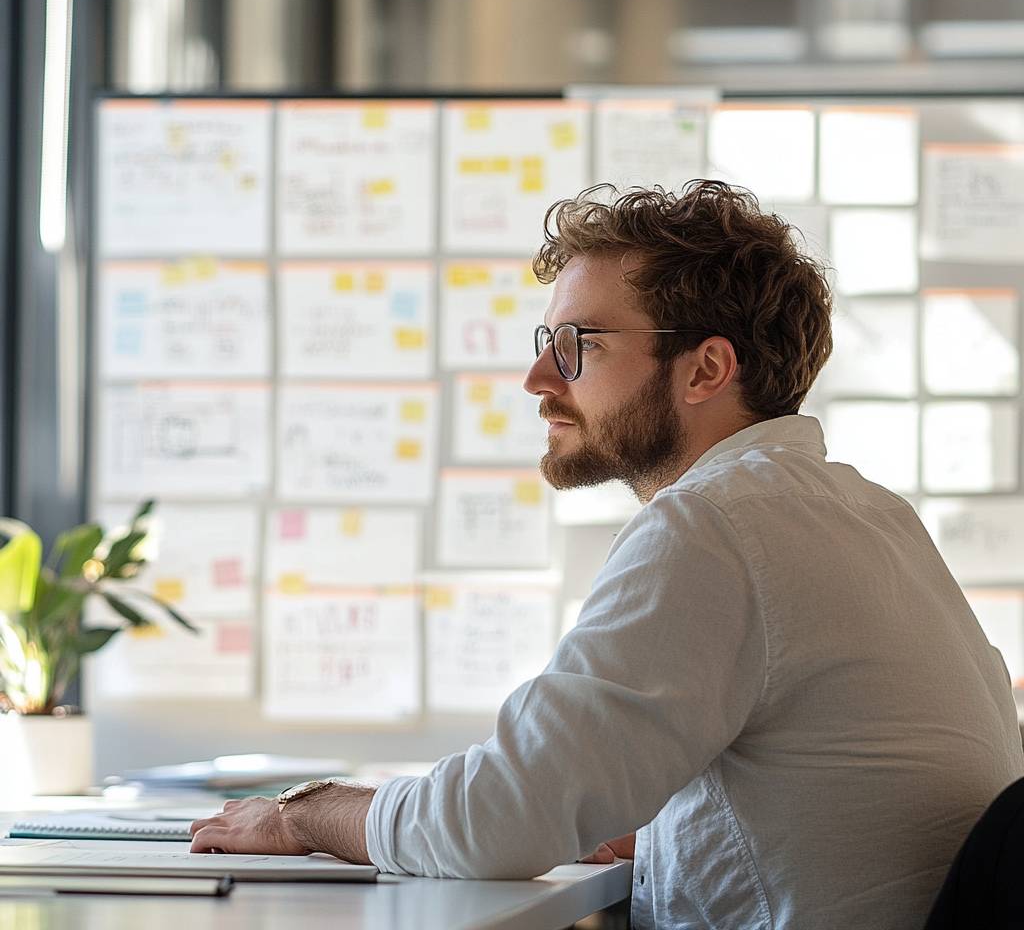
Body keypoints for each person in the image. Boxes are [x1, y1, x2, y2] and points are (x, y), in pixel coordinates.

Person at [191, 180, 1024, 929]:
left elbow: (498, 818)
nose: (537, 379)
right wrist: (646, 827)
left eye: (577, 345)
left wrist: (306, 814)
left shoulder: (714, 527)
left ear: (704, 370)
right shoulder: (871, 519)